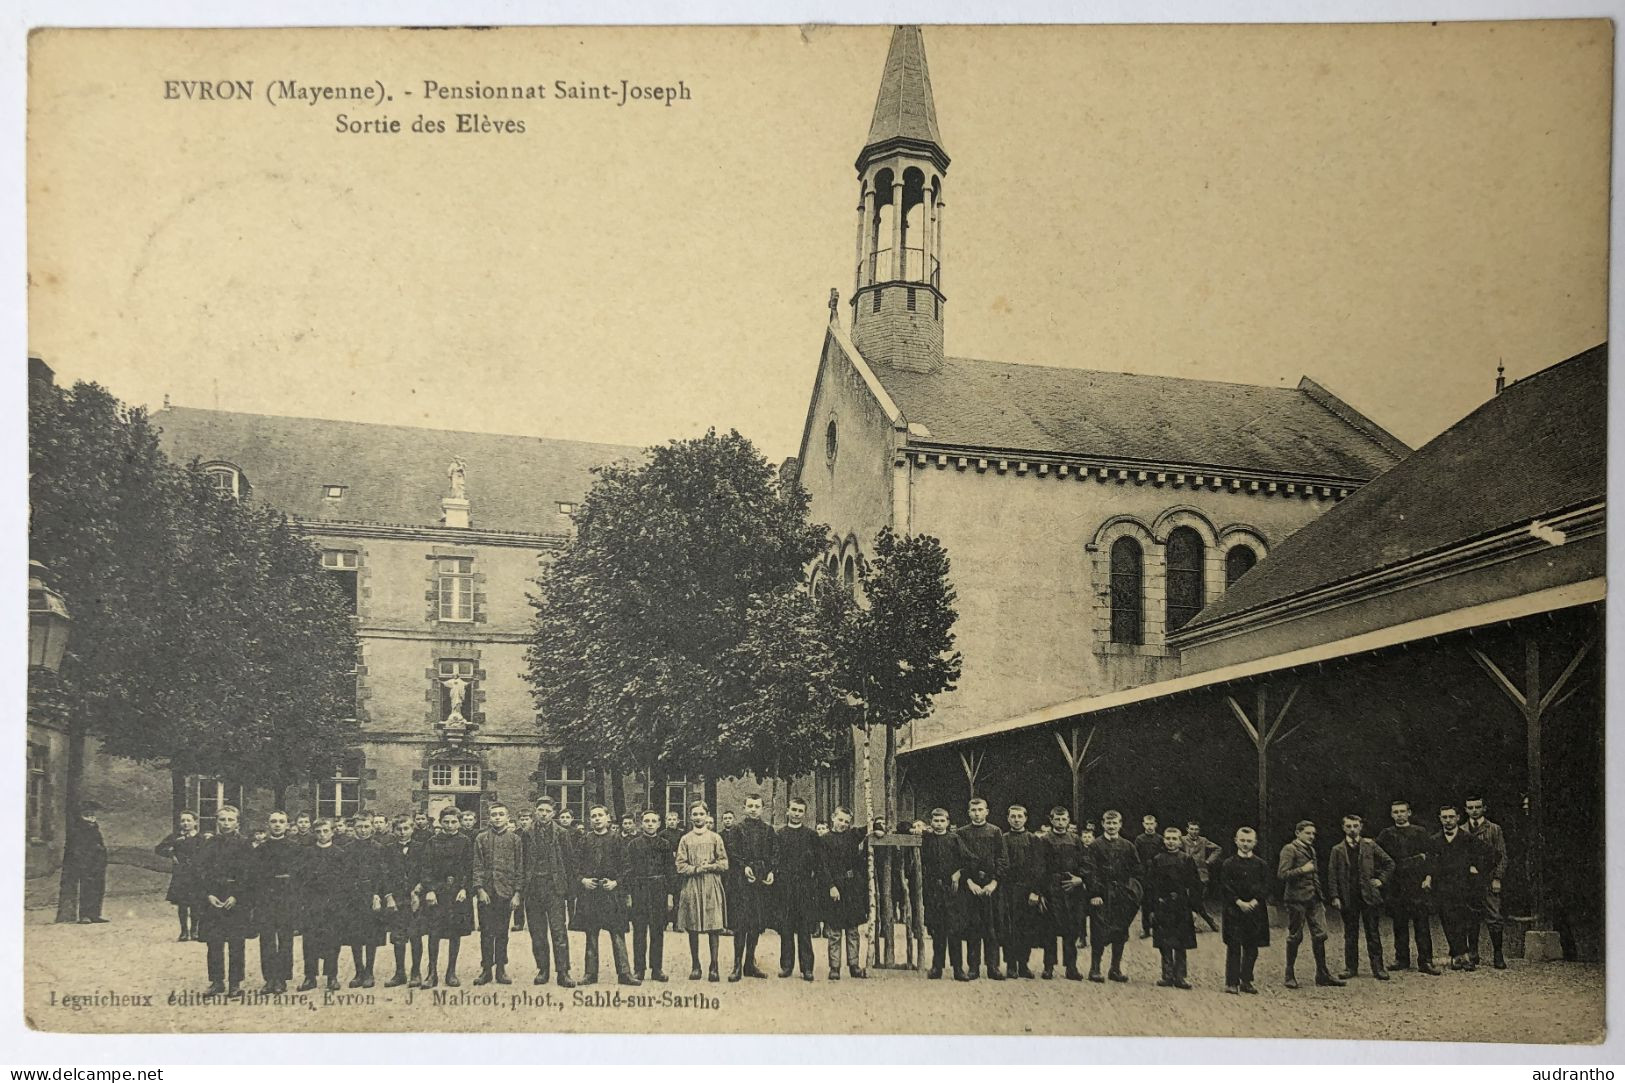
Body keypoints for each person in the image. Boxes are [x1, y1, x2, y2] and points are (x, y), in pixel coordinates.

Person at [575, 804, 639, 986]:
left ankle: (625, 973)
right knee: (591, 934)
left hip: (612, 894)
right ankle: (590, 974)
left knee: (617, 933)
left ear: (607, 818)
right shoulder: (584, 840)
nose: (596, 819)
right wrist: (583, 881)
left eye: (600, 815)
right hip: (591, 894)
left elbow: (627, 867)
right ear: (590, 819)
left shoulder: (617, 839)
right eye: (593, 816)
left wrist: (616, 883)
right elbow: (575, 866)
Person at [1327, 813, 1395, 981]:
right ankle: (1351, 968)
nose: (1352, 829)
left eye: (1355, 826)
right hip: (1348, 897)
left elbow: (1389, 863)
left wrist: (1380, 880)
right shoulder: (1337, 850)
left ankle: (1378, 968)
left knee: (1372, 933)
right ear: (1343, 828)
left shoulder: (1370, 845)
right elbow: (1332, 875)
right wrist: (1335, 896)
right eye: (1348, 826)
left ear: (1361, 827)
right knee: (1350, 934)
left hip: (1369, 896)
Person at [1376, 799, 1440, 975]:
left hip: (1417, 884)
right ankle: (1401, 959)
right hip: (1396, 885)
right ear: (1391, 814)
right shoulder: (1386, 834)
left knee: (1421, 924)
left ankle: (1425, 961)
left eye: (1402, 811)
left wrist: (1428, 877)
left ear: (1409, 813)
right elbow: (1380, 858)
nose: (1399, 815)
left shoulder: (1420, 832)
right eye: (1395, 812)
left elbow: (1431, 857)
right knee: (1399, 924)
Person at [1277, 819, 1343, 989]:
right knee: (1295, 936)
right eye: (1308, 833)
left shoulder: (1311, 849)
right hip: (1296, 899)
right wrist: (1302, 870)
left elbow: (1314, 875)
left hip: (1314, 898)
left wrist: (1319, 894)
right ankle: (1289, 974)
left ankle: (1322, 974)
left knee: (1320, 935)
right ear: (1298, 833)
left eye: (1313, 833)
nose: (1312, 836)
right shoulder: (1289, 849)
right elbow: (1282, 874)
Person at [196, 805, 254, 996]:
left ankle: (235, 983)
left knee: (236, 942)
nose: (226, 824)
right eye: (222, 819)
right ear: (217, 821)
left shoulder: (245, 844)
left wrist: (236, 895)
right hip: (213, 897)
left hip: (236, 897)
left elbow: (248, 874)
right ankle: (216, 981)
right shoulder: (208, 843)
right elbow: (201, 871)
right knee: (214, 941)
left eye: (230, 820)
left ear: (237, 822)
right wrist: (209, 894)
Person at [417, 806, 474, 988]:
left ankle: (451, 972)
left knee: (454, 933)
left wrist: (465, 888)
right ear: (440, 822)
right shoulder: (433, 841)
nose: (450, 825)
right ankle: (432, 972)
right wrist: (430, 889)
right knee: (434, 933)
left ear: (459, 822)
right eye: (446, 822)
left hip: (457, 894)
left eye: (454, 822)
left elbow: (469, 868)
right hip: (437, 894)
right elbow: (425, 868)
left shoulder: (465, 841)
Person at [523, 795, 576, 988]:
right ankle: (543, 969)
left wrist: (569, 891)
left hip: (554, 888)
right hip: (533, 887)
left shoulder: (561, 833)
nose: (544, 814)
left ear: (553, 813)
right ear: (535, 812)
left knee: (558, 931)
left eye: (547, 811)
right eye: (540, 811)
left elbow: (569, 862)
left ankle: (563, 972)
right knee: (537, 932)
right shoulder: (526, 833)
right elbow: (522, 862)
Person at [1424, 804, 1485, 971]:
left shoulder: (1468, 838)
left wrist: (1476, 868)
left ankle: (1462, 956)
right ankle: (1460, 956)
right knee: (1448, 921)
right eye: (1444, 817)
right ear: (1440, 819)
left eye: (1451, 817)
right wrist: (1429, 877)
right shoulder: (1435, 840)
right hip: (1442, 888)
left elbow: (1492, 854)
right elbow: (1430, 862)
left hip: (1464, 887)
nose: (1448, 821)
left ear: (1458, 818)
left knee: (1463, 921)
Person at [675, 801, 728, 982]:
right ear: (690, 817)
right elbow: (680, 866)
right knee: (693, 925)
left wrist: (711, 866)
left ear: (707, 816)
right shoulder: (685, 839)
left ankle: (714, 966)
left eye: (701, 814)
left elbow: (724, 863)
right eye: (695, 814)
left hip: (711, 884)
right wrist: (696, 869)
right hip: (692, 885)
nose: (698, 817)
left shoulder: (715, 838)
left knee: (713, 926)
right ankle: (695, 965)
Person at [472, 802, 525, 986]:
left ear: (507, 817)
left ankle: (501, 968)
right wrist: (479, 889)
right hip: (486, 892)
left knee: (502, 932)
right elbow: (477, 866)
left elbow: (520, 867)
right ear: (489, 817)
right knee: (486, 932)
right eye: (494, 814)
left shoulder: (515, 840)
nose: (497, 817)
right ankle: (486, 969)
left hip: (506, 891)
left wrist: (517, 893)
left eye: (501, 814)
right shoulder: (481, 838)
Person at [725, 794, 776, 982]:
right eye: (750, 806)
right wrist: (743, 866)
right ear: (744, 808)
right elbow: (732, 852)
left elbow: (774, 853)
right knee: (741, 924)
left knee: (755, 923)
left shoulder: (768, 830)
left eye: (757, 806)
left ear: (762, 809)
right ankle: (737, 964)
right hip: (741, 882)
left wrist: (771, 871)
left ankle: (749, 963)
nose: (753, 809)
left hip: (760, 881)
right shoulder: (737, 830)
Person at [1086, 810, 1142, 983]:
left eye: (1114, 823)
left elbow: (1137, 870)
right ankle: (1095, 969)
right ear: (1102, 824)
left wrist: (1131, 892)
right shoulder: (1095, 845)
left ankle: (1115, 969)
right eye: (1108, 823)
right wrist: (1095, 893)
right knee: (1099, 929)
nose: (1111, 826)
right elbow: (1089, 870)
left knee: (1120, 929)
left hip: (1121, 895)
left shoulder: (1128, 846)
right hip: (1102, 894)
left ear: (1120, 824)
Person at [955, 797, 1007, 980]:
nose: (977, 814)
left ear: (987, 811)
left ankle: (993, 966)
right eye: (973, 810)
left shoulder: (996, 832)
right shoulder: (961, 833)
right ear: (968, 812)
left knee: (992, 927)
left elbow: (1002, 859)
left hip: (992, 887)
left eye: (980, 810)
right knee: (973, 927)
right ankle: (973, 967)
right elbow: (960, 860)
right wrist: (969, 882)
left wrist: (994, 882)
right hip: (971, 887)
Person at [817, 807, 869, 980]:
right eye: (840, 820)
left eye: (847, 822)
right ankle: (835, 967)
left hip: (852, 887)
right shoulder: (824, 840)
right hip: (834, 887)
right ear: (833, 818)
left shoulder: (852, 836)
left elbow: (871, 825)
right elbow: (822, 866)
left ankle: (854, 965)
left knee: (853, 929)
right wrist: (831, 886)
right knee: (835, 930)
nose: (843, 824)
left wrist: (877, 826)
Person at [1146, 825, 1200, 989]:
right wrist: (1152, 908)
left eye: (1174, 839)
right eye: (1168, 839)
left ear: (1180, 840)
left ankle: (1180, 977)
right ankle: (1167, 975)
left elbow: (1195, 885)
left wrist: (1194, 908)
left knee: (1181, 942)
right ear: (1164, 840)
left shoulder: (1186, 859)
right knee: (1165, 941)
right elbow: (1151, 885)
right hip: (1163, 905)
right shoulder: (1157, 859)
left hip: (1181, 905)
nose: (1171, 842)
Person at [1218, 826, 1270, 994]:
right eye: (1242, 840)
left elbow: (1266, 885)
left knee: (1252, 946)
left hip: (1255, 910)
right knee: (1234, 946)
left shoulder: (1261, 865)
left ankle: (1246, 980)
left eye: (1249, 841)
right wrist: (1238, 902)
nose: (1245, 844)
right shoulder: (1228, 864)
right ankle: (1231, 982)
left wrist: (1255, 901)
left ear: (1255, 842)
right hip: (1234, 910)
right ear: (1236, 841)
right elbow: (1225, 886)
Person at [298, 818, 348, 991]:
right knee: (309, 940)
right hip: (312, 903)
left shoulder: (340, 853)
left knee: (332, 940)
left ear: (332, 832)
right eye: (318, 832)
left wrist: (338, 902)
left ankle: (332, 977)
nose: (322, 835)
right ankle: (309, 977)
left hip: (332, 904)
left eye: (325, 831)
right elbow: (302, 879)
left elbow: (344, 881)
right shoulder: (307, 853)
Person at [251, 810, 299, 994]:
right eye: (273, 821)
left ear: (287, 825)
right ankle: (269, 978)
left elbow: (299, 875)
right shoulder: (261, 849)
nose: (277, 825)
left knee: (286, 939)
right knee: (267, 939)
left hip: (287, 897)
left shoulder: (295, 847)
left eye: (281, 821)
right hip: (266, 898)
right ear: (268, 825)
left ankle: (282, 979)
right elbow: (254, 876)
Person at [773, 797, 820, 982]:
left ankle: (807, 968)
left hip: (804, 888)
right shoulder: (780, 834)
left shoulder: (811, 835)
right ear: (787, 811)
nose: (796, 813)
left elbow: (818, 862)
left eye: (800, 811)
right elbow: (776, 860)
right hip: (785, 887)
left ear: (804, 813)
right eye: (794, 809)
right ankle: (786, 966)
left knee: (804, 929)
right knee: (786, 928)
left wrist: (812, 884)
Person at [1041, 806, 1090, 981]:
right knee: (1050, 929)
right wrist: (1041, 892)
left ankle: (1071, 967)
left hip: (1072, 888)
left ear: (1068, 820)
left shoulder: (1075, 840)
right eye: (1057, 819)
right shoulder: (1045, 840)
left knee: (1072, 928)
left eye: (1064, 819)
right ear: (1051, 820)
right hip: (1052, 888)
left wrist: (1080, 879)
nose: (1061, 822)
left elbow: (1085, 863)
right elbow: (1040, 867)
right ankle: (1048, 967)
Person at [627, 809, 675, 983]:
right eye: (646, 821)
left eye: (653, 821)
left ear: (659, 824)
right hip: (639, 889)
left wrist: (670, 895)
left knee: (657, 931)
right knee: (639, 931)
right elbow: (629, 871)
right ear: (641, 823)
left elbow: (671, 871)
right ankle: (639, 969)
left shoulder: (665, 844)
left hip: (659, 889)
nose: (650, 824)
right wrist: (629, 895)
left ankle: (657, 969)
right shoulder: (633, 845)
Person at [344, 814, 391, 988]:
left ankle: (369, 971)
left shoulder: (379, 848)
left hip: (372, 896)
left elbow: (384, 874)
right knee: (355, 935)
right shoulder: (348, 849)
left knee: (371, 935)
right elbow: (345, 875)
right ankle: (359, 971)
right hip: (353, 897)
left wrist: (378, 894)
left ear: (372, 827)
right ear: (354, 828)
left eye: (366, 827)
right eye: (359, 827)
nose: (363, 831)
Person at [1464, 795, 1509, 969]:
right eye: (1470, 807)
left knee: (1494, 916)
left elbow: (1502, 855)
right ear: (1466, 809)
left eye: (1477, 807)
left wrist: (1497, 877)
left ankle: (1498, 954)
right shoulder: (1462, 830)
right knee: (1470, 916)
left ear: (1484, 808)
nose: (1474, 810)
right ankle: (1473, 954)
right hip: (1469, 881)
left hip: (1489, 880)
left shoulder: (1494, 829)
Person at [1000, 804, 1045, 980]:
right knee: (1009, 928)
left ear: (1026, 818)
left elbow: (1039, 867)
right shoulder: (1002, 838)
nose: (1016, 820)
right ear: (1008, 818)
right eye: (1013, 816)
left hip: (1027, 891)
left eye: (1020, 816)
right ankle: (1011, 965)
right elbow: (1001, 863)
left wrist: (1035, 891)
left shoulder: (1034, 840)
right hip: (1008, 889)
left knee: (1026, 927)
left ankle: (1023, 964)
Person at [920, 807, 965, 980]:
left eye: (942, 821)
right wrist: (917, 829)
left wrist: (959, 872)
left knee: (954, 930)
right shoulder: (927, 839)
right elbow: (902, 828)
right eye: (936, 821)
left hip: (951, 891)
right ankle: (937, 967)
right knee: (937, 930)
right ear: (931, 822)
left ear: (948, 822)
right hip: (933, 890)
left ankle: (958, 969)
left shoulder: (954, 839)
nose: (939, 824)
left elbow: (969, 860)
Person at [382, 815, 425, 988]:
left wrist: (418, 890)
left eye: (406, 828)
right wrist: (389, 896)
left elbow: (427, 871)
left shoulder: (421, 848)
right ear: (394, 830)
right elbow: (384, 874)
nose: (402, 832)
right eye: (399, 829)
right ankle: (400, 973)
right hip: (397, 898)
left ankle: (416, 972)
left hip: (416, 898)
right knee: (398, 937)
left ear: (412, 829)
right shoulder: (388, 849)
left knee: (415, 935)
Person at [55, 800, 108, 925]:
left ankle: (95, 914)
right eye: (87, 812)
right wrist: (84, 860)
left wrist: (102, 856)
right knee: (86, 889)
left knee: (98, 889)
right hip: (85, 863)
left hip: (97, 863)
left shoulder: (94, 826)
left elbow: (99, 843)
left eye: (92, 812)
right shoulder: (79, 827)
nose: (91, 814)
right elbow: (77, 847)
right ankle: (85, 915)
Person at [156, 810, 206, 940]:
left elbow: (208, 853)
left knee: (196, 904)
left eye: (189, 820)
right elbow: (159, 849)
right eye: (183, 821)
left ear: (195, 822)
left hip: (196, 875)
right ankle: (184, 932)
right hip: (181, 874)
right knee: (182, 904)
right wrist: (171, 854)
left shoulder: (201, 838)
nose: (185, 823)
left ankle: (195, 930)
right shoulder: (175, 837)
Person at [1181, 820, 1222, 932]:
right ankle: (1208, 921)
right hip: (1188, 874)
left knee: (1197, 899)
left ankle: (1199, 922)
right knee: (1193, 900)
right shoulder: (1182, 840)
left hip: (1201, 874)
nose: (1194, 832)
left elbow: (1218, 849)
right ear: (1187, 829)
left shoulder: (1203, 840)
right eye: (1192, 829)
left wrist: (1208, 861)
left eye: (1196, 829)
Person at [1132, 814, 1161, 939]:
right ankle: (1146, 929)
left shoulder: (1160, 839)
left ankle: (1157, 927)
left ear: (1155, 824)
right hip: (1144, 875)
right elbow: (1136, 857)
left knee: (1157, 902)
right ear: (1143, 824)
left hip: (1157, 874)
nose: (1149, 826)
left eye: (1151, 824)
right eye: (1147, 824)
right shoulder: (1139, 839)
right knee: (1145, 903)